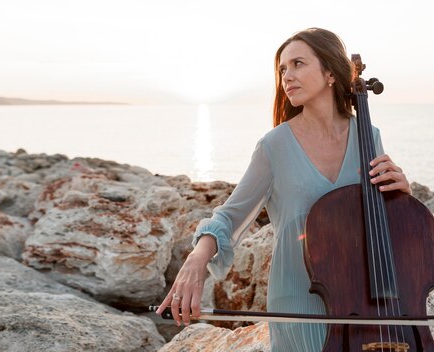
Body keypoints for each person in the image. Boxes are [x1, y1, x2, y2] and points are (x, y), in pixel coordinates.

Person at [156, 27, 411, 351]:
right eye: (282, 69)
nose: (287, 76)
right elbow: (229, 216)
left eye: (298, 64)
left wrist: (403, 196)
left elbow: (383, 225)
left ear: (331, 73)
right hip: (298, 303)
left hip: (360, 300)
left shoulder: (368, 136)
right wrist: (196, 257)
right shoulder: (274, 146)